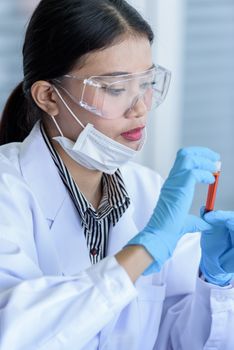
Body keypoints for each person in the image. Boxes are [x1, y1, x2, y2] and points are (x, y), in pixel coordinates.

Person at [0, 0, 234, 349]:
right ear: (48, 95)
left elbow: (178, 339)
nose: (140, 107)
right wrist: (141, 253)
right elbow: (14, 332)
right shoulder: (8, 191)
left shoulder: (149, 191)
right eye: (114, 88)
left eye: (146, 83)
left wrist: (215, 281)